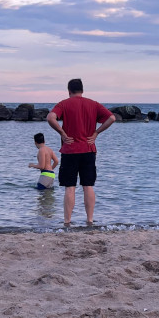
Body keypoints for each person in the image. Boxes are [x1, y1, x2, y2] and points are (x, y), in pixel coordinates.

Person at [47, 78, 116, 225]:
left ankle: (67, 221)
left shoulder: (63, 104)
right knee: (88, 186)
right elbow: (112, 118)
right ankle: (90, 220)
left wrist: (62, 132)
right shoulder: (93, 104)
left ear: (69, 90)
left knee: (70, 187)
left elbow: (50, 118)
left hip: (70, 150)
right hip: (88, 150)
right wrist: (96, 133)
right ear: (82, 90)